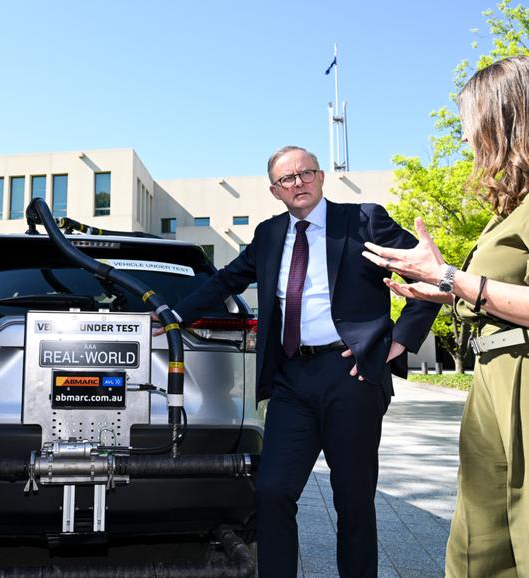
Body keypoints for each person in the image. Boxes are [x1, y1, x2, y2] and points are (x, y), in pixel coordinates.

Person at [171, 145, 440, 578]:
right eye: (287, 179)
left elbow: (428, 272)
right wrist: (172, 314)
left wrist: (399, 342)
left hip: (350, 375)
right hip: (291, 380)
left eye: (306, 173)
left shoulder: (365, 220)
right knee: (274, 491)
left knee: (352, 499)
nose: (298, 183)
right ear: (275, 190)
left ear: (320, 176)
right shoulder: (268, 234)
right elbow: (226, 280)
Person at [363, 55, 529, 577]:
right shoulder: (511, 208)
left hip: (522, 384)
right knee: (478, 551)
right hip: (491, 385)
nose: (466, 142)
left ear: (508, 120)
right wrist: (443, 289)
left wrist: (452, 278)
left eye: (472, 128)